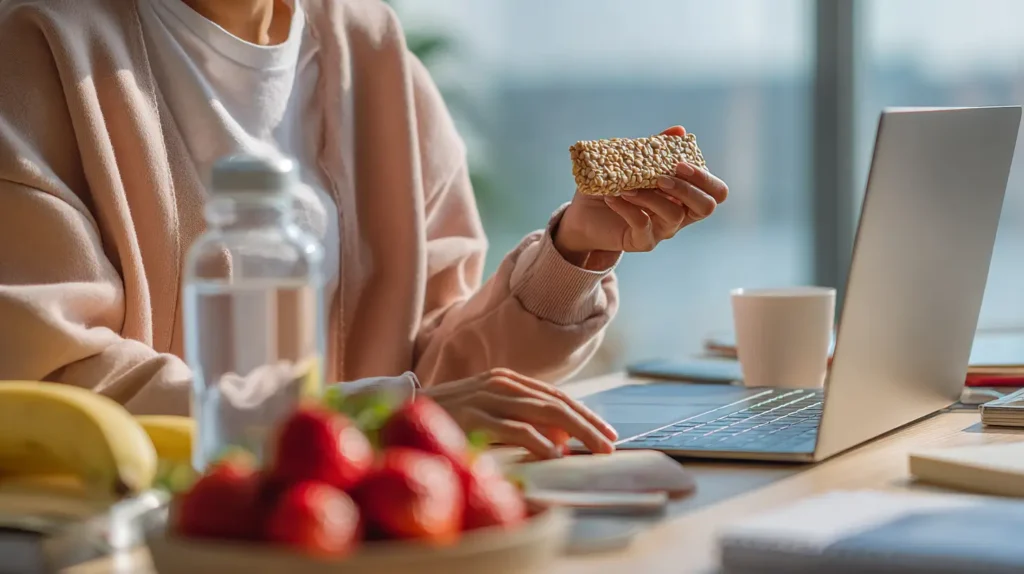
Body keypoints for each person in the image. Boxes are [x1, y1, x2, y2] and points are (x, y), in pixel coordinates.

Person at [0, 0, 728, 459]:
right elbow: (55, 376)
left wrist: (574, 252)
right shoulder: (38, 51)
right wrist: (376, 414)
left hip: (371, 531)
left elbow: (445, 372)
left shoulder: (371, 52)